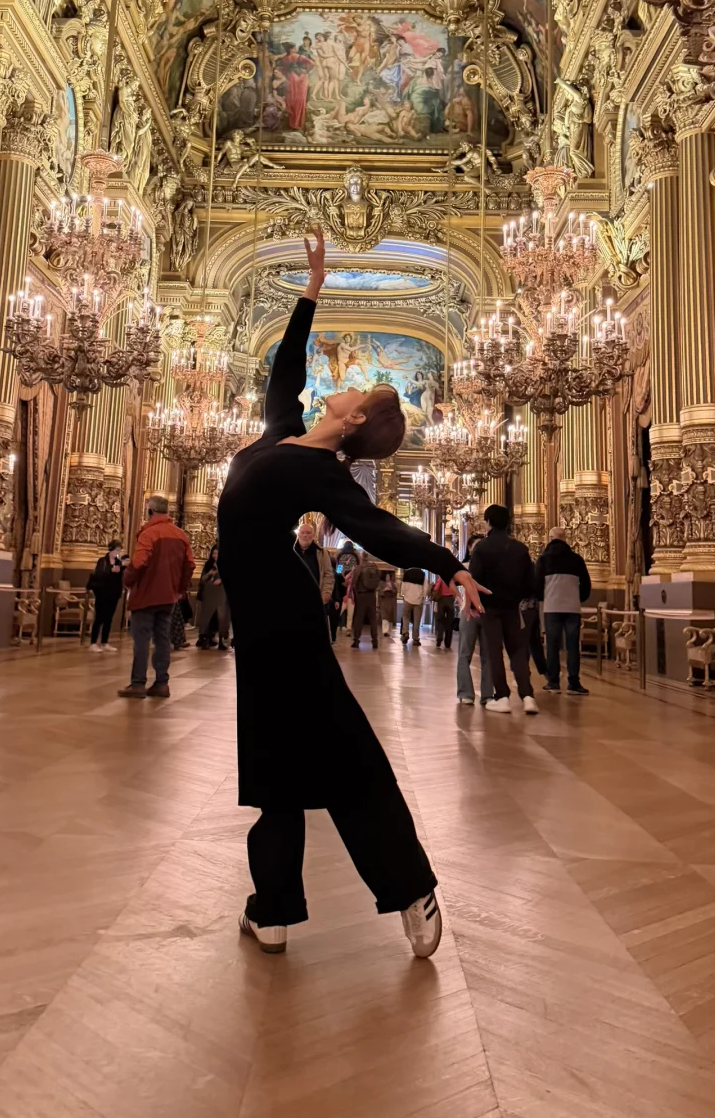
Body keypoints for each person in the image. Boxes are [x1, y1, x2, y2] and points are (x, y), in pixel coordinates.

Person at [215, 227, 486, 959]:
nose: (346, 382)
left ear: (356, 419)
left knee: (346, 763)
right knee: (275, 772)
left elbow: (378, 529)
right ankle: (273, 906)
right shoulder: (282, 437)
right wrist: (309, 292)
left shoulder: (323, 473)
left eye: (359, 390)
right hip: (260, 627)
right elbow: (284, 374)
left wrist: (447, 564)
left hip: (288, 628)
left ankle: (411, 888)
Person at [118, 496, 195, 699]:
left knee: (141, 639)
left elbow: (139, 562)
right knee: (162, 639)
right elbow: (189, 566)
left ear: (150, 511)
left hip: (146, 595)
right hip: (168, 597)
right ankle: (162, 683)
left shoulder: (149, 533)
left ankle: (137, 684)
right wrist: (179, 590)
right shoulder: (181, 535)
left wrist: (127, 580)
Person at [469, 504, 539, 715]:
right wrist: (518, 597)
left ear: (488, 522)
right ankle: (527, 696)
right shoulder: (520, 548)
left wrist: (474, 604)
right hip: (512, 607)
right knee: (517, 650)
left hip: (489, 607)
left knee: (494, 652)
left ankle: (502, 697)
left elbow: (474, 579)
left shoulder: (482, 548)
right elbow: (530, 582)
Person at [535, 526, 593, 696]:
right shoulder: (576, 559)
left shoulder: (543, 559)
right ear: (565, 538)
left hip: (552, 607)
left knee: (552, 645)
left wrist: (543, 597)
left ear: (550, 538)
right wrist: (578, 598)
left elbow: (537, 585)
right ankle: (573, 683)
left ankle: (553, 682)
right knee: (572, 646)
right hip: (572, 607)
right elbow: (586, 584)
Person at [457, 533, 494, 706]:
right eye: (475, 546)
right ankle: (465, 692)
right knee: (465, 653)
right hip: (468, 613)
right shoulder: (463, 567)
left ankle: (487, 694)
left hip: (487, 613)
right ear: (470, 549)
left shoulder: (493, 567)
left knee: (488, 655)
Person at [294, 522, 335, 637]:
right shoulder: (292, 551)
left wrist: (326, 593)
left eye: (308, 533)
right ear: (298, 535)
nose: (305, 535)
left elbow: (328, 574)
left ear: (313, 535)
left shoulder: (321, 552)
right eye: (302, 533)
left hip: (316, 599)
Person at [86, 540, 127, 653]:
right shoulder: (102, 561)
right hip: (102, 593)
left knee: (109, 619)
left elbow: (119, 578)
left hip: (113, 593)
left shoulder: (118, 562)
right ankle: (93, 643)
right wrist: (110, 571)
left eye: (118, 550)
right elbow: (99, 575)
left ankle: (105, 642)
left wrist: (120, 571)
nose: (117, 552)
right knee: (99, 618)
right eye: (115, 550)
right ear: (111, 549)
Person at [196, 543, 231, 650]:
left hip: (221, 594)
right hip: (209, 593)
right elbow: (203, 579)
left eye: (217, 553)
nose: (215, 555)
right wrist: (210, 573)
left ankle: (221, 640)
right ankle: (205, 639)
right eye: (214, 553)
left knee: (222, 617)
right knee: (207, 617)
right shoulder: (208, 564)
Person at [350, 551, 381, 648]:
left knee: (359, 619)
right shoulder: (374, 567)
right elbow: (377, 580)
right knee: (373, 620)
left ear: (360, 556)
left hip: (361, 596)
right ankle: (375, 641)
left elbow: (354, 583)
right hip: (372, 595)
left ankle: (356, 640)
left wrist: (355, 594)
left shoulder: (359, 568)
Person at [399, 565, 427, 645]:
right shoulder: (422, 573)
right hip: (418, 601)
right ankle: (415, 639)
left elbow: (403, 586)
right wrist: (423, 596)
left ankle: (405, 633)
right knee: (416, 620)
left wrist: (403, 595)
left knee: (405, 616)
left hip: (407, 599)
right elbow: (425, 587)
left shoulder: (407, 573)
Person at [336, 538, 359, 634]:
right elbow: (357, 568)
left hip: (342, 584)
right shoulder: (355, 556)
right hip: (352, 586)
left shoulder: (340, 555)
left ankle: (337, 625)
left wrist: (341, 578)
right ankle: (348, 627)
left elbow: (338, 571)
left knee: (340, 607)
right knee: (351, 608)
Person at [430, 573, 457, 649]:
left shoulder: (441, 578)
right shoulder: (453, 580)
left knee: (440, 620)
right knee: (449, 621)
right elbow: (456, 591)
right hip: (450, 600)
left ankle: (439, 637)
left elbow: (436, 589)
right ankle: (448, 643)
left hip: (442, 600)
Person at [378, 568, 399, 640]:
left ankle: (389, 631)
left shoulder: (393, 584)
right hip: (384, 602)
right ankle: (385, 631)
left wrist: (391, 589)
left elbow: (396, 591)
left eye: (389, 577)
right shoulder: (381, 584)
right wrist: (384, 590)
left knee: (389, 618)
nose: (388, 578)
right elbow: (379, 592)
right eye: (386, 577)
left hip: (391, 602)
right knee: (384, 617)